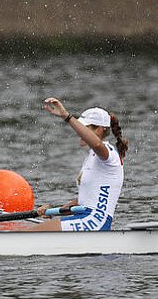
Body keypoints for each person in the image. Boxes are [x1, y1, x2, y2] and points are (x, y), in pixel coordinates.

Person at [27, 98, 128, 232]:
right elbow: (84, 201)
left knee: (32, 233)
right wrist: (51, 211)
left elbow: (97, 144)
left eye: (84, 128)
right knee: (33, 230)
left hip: (95, 221)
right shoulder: (92, 158)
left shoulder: (108, 154)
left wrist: (66, 116)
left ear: (99, 130)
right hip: (85, 218)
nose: (79, 133)